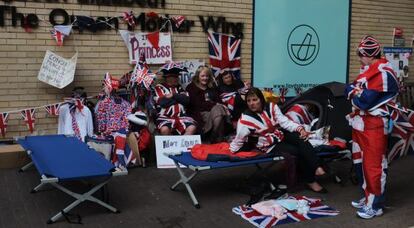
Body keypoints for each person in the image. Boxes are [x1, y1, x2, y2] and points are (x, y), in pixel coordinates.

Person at [229, 87, 327, 193]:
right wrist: (232, 150)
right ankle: (311, 180)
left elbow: (284, 122)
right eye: (249, 101)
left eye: (255, 100)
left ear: (261, 100)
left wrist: (300, 129)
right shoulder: (245, 119)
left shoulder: (271, 107)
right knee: (296, 151)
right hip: (267, 144)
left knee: (300, 138)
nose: (252, 103)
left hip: (279, 134)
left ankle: (316, 166)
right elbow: (239, 138)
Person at [346, 35, 400, 219]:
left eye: (360, 54)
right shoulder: (369, 70)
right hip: (361, 124)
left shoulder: (383, 72)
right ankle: (367, 196)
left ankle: (375, 205)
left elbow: (364, 101)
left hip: (375, 125)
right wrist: (355, 92)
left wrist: (353, 92)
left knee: (374, 166)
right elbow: (353, 89)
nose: (359, 58)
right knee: (359, 162)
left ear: (369, 54)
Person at [186, 66, 231, 143]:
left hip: (214, 112)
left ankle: (213, 137)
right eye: (202, 76)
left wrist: (223, 106)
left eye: (207, 76)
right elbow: (196, 104)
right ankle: (216, 138)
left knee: (219, 109)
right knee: (218, 111)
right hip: (200, 114)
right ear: (198, 76)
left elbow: (218, 100)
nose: (205, 78)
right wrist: (214, 104)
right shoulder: (191, 87)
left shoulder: (212, 87)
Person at [153, 66, 197, 135]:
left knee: (192, 128)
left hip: (182, 116)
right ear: (168, 78)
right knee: (164, 129)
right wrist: (179, 98)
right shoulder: (160, 87)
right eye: (175, 77)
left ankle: (182, 145)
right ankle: (170, 145)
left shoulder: (180, 88)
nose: (177, 78)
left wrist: (173, 95)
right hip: (165, 117)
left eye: (177, 77)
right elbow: (163, 102)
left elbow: (186, 101)